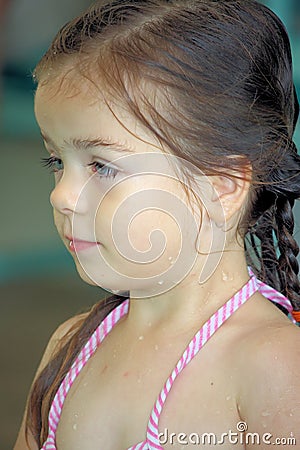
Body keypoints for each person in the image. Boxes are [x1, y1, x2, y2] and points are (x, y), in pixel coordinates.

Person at [14, 0, 300, 449]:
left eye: (102, 166)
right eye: (57, 160)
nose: (62, 195)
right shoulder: (70, 348)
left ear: (222, 186)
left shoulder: (273, 365)